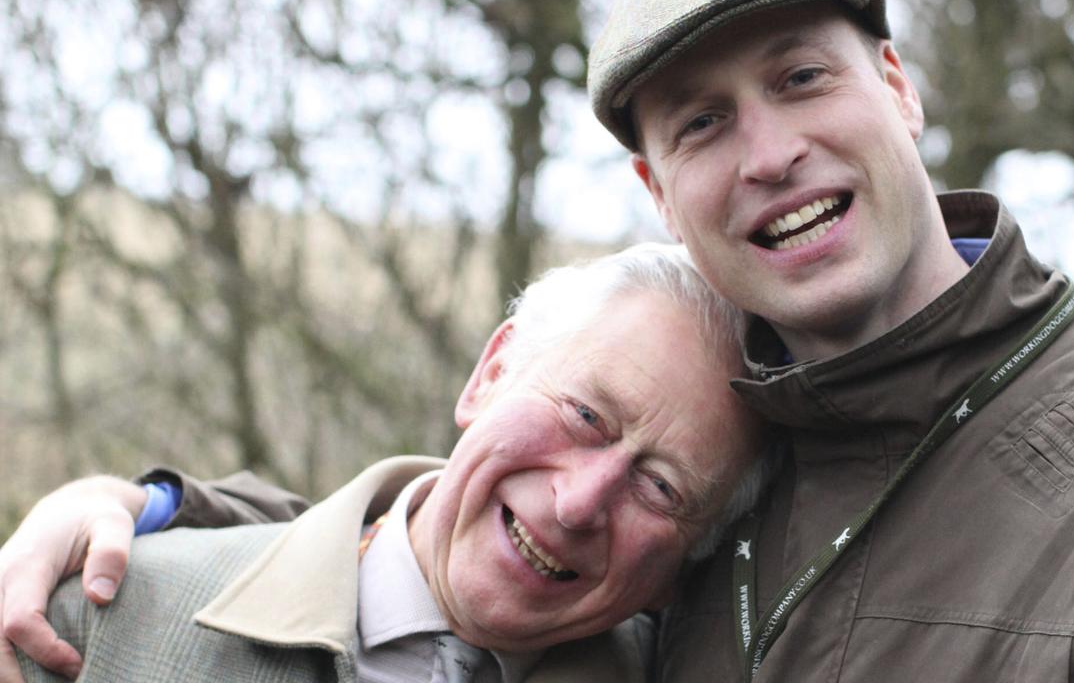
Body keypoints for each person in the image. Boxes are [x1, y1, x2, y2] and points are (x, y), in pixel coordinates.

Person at [5, 0, 1074, 680]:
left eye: (799, 77)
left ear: (897, 86)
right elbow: (440, 570)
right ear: (657, 190)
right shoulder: (726, 462)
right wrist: (151, 522)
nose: (769, 151)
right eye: (701, 122)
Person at [0, 244, 769, 682]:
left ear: (681, 569)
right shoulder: (98, 624)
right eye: (586, 415)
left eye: (662, 488)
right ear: (491, 373)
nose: (579, 501)